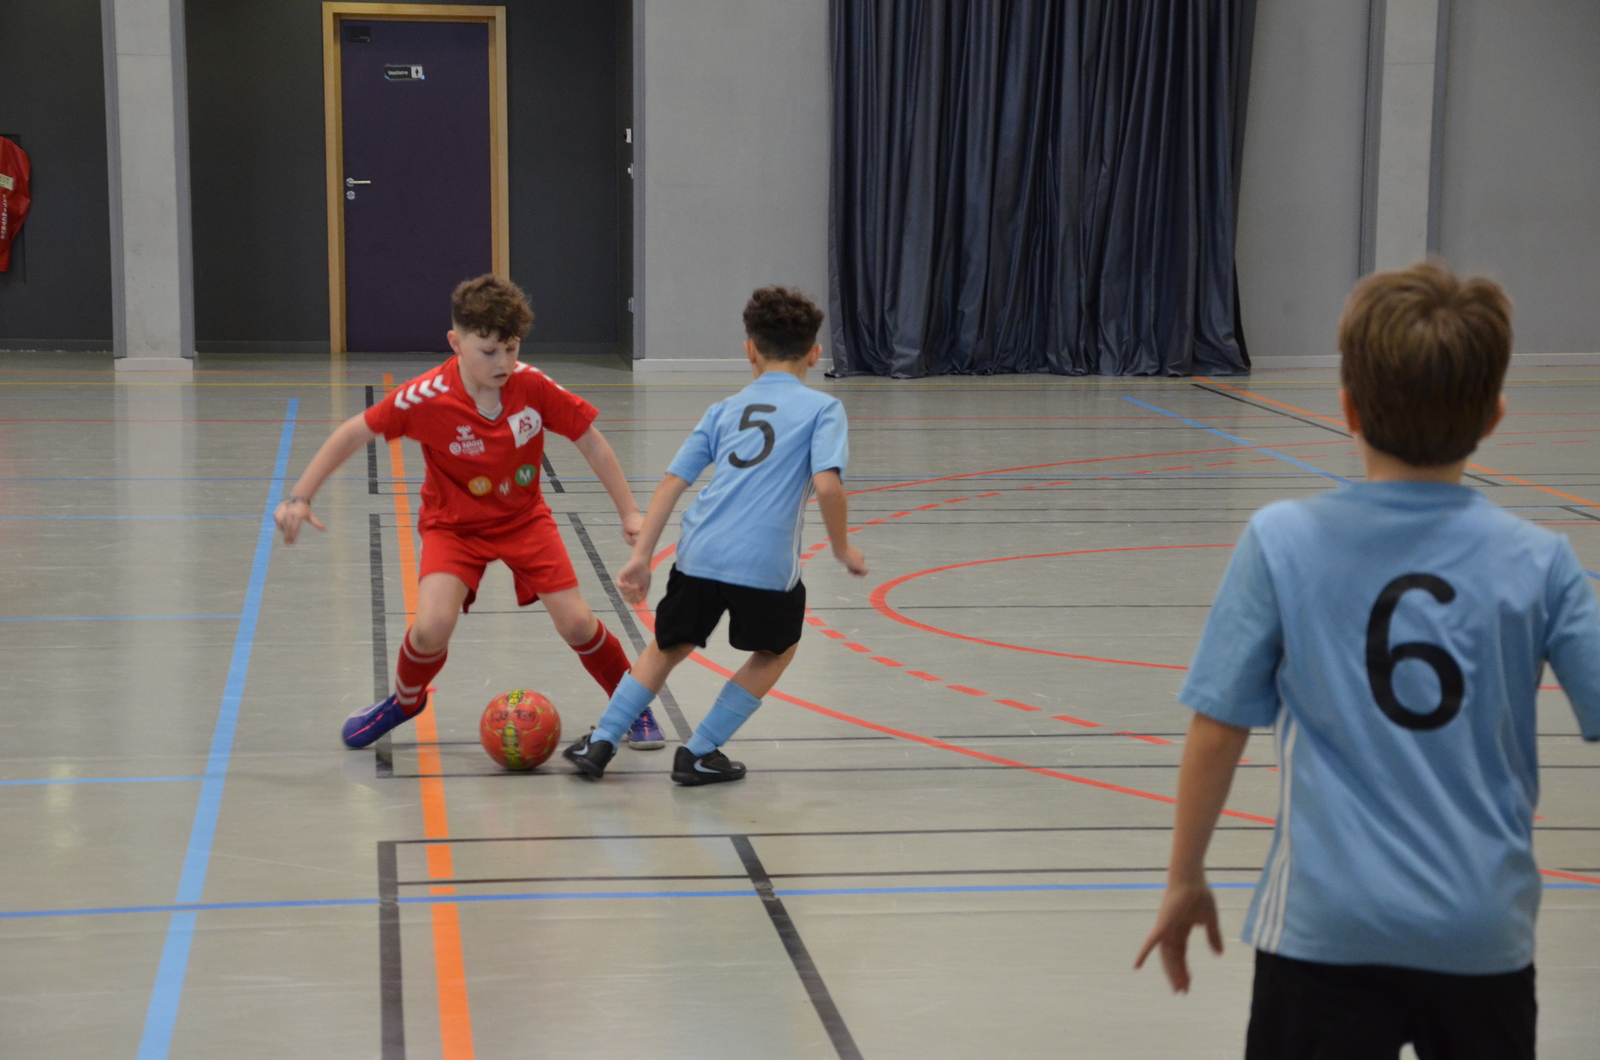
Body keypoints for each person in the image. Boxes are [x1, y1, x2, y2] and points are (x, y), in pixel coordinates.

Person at [1135, 260, 1600, 1059]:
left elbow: (1217, 728)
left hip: (1324, 934)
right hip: (1482, 935)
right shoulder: (1542, 561)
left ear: (1347, 408)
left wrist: (1184, 878)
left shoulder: (1281, 541)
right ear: (1494, 416)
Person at [275, 274, 670, 751]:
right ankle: (405, 701)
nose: (503, 362)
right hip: (453, 527)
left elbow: (591, 441)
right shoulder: (425, 396)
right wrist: (300, 497)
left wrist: (629, 513)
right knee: (431, 626)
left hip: (524, 520)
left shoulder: (532, 385)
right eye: (489, 351)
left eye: (512, 348)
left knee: (576, 622)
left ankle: (631, 706)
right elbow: (353, 432)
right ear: (455, 342)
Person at [562, 286, 867, 785]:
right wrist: (841, 547)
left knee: (667, 645)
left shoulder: (724, 409)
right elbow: (828, 485)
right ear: (815, 354)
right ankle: (700, 751)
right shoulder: (822, 409)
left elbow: (671, 482)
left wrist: (642, 555)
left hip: (698, 553)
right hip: (765, 565)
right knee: (776, 651)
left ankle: (602, 742)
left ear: (749, 349)